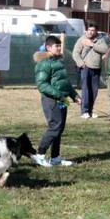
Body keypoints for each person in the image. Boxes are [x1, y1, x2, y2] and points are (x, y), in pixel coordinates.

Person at [31, 35, 81, 167]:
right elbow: (42, 85)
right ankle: (40, 154)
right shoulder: (44, 64)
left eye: (60, 46)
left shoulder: (59, 62)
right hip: (51, 100)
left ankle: (55, 157)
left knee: (59, 129)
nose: (59, 48)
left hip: (62, 100)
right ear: (48, 47)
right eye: (56, 46)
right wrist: (59, 95)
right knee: (54, 127)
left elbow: (66, 83)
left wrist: (75, 96)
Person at [72, 22, 107, 119]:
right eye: (89, 30)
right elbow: (75, 53)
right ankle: (84, 111)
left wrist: (92, 45)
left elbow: (104, 49)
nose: (91, 32)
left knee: (94, 91)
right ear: (87, 30)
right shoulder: (82, 39)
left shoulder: (100, 40)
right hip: (86, 68)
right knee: (86, 90)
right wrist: (80, 63)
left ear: (96, 31)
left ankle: (90, 111)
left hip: (97, 68)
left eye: (93, 30)